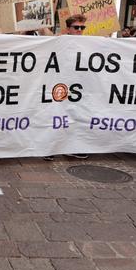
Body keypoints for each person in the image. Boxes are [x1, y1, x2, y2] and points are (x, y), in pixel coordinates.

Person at [48, 14, 88, 160]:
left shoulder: (89, 43)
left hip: (78, 87)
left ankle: (71, 147)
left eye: (82, 27)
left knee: (75, 116)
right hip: (59, 85)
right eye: (76, 27)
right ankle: (50, 148)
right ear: (68, 28)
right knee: (56, 116)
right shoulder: (61, 40)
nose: (79, 30)